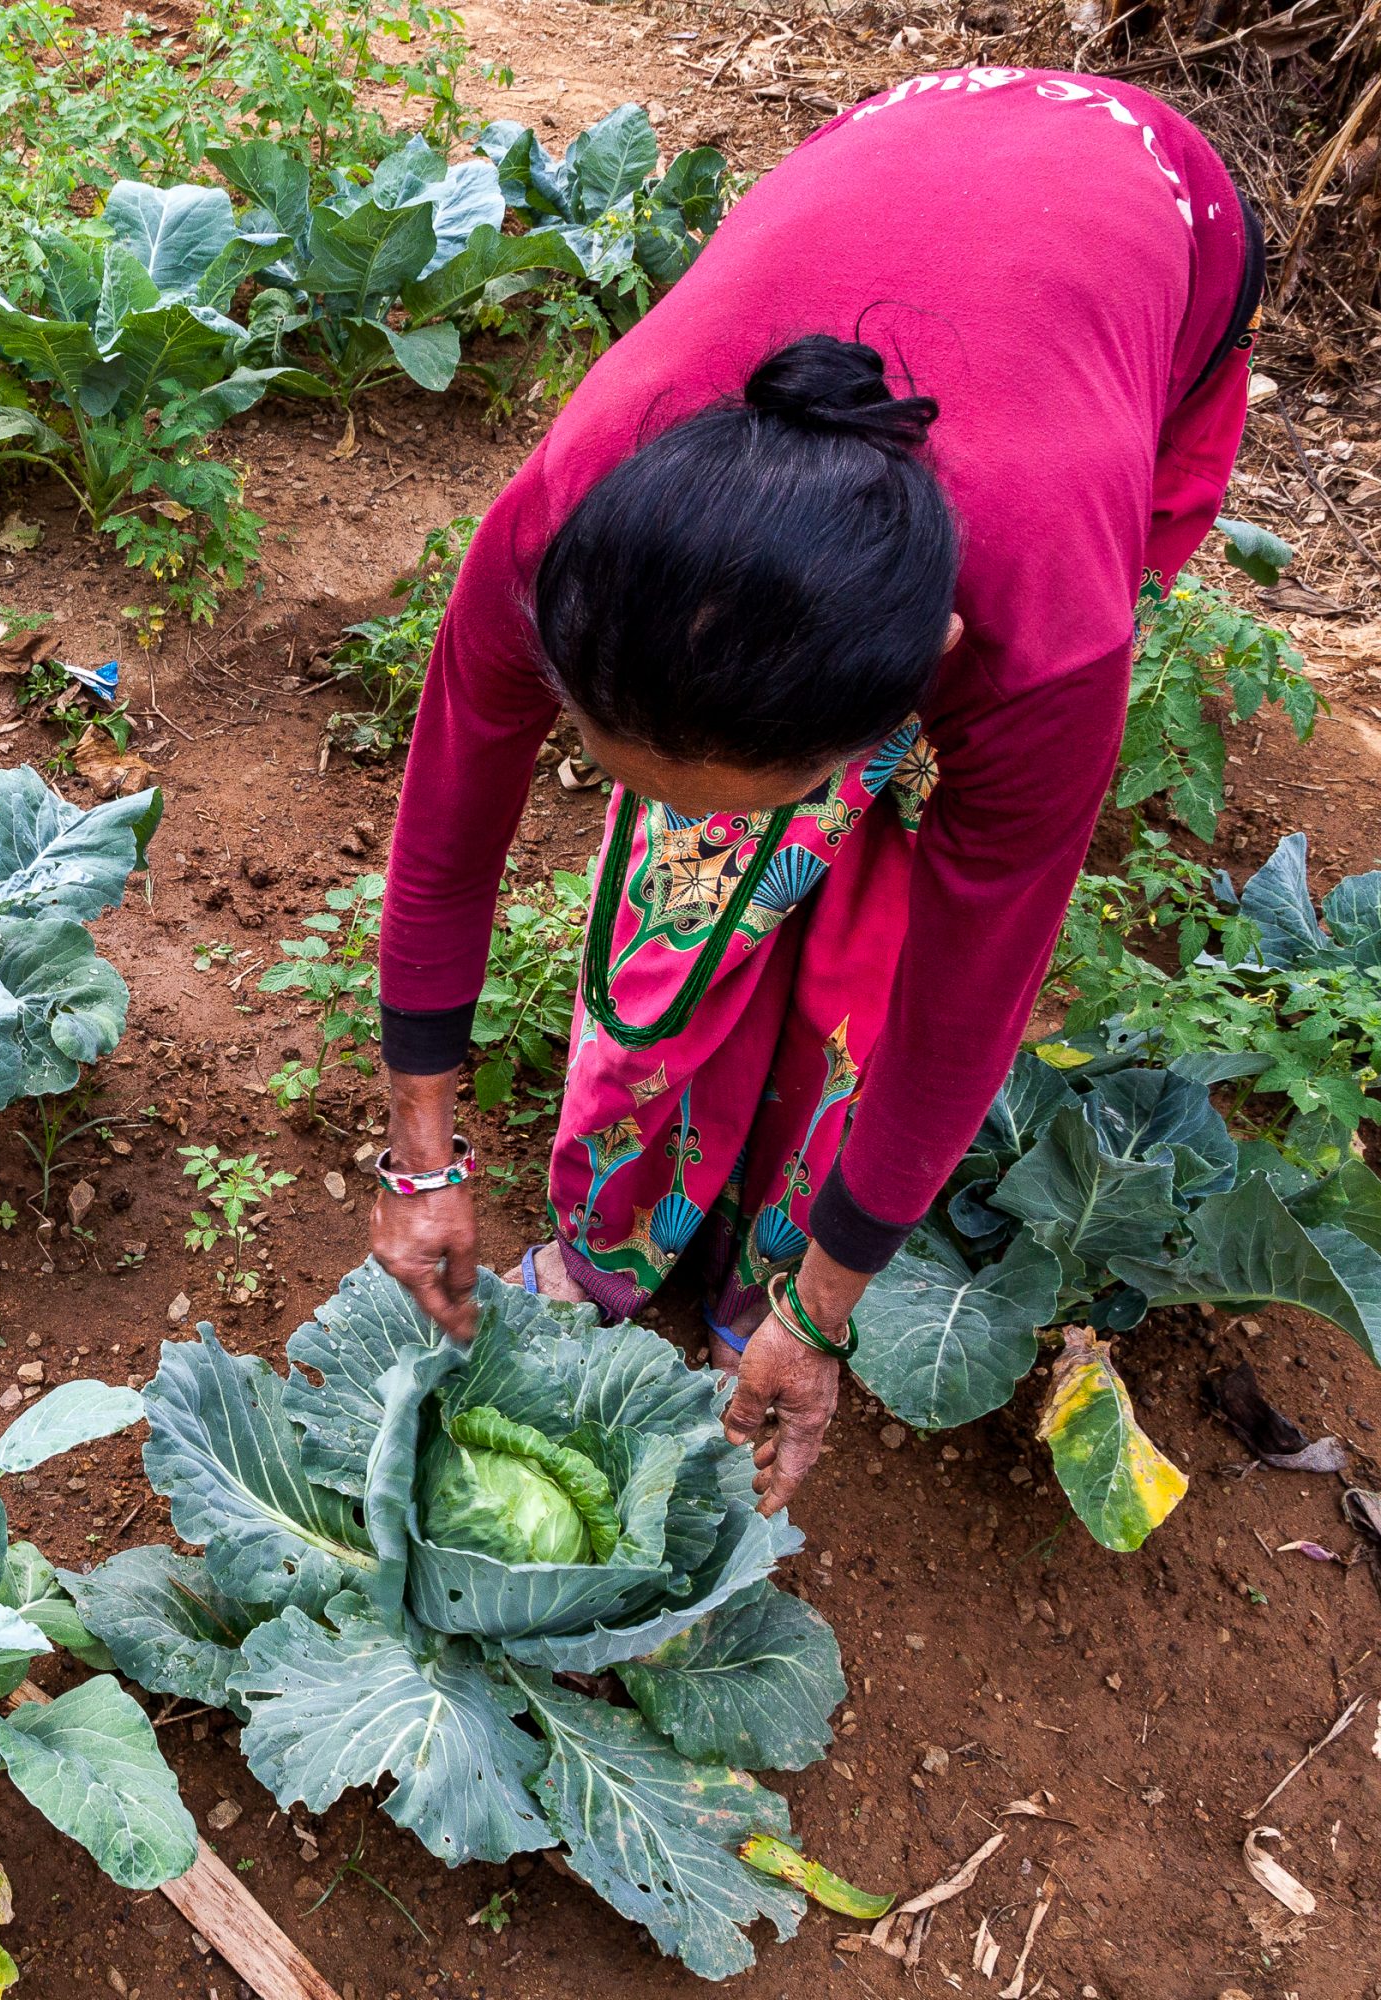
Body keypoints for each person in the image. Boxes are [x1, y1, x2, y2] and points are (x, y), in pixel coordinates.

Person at [366, 67, 1263, 1515]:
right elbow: (442, 848)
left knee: (903, 904)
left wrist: (828, 1305)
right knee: (700, 866)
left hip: (1158, 223)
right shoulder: (564, 525)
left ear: (935, 673)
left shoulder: (1044, 638)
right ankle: (641, 1200)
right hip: (903, 146)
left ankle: (777, 1246)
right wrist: (420, 1159)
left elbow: (974, 993)